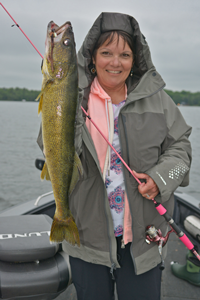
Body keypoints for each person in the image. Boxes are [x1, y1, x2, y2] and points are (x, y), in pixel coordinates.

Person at [37, 12, 192, 300]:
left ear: (136, 59)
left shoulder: (158, 101)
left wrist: (161, 179)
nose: (115, 62)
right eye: (106, 52)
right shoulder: (73, 95)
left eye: (125, 54)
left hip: (144, 244)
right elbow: (47, 144)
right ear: (92, 57)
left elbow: (181, 149)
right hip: (86, 239)